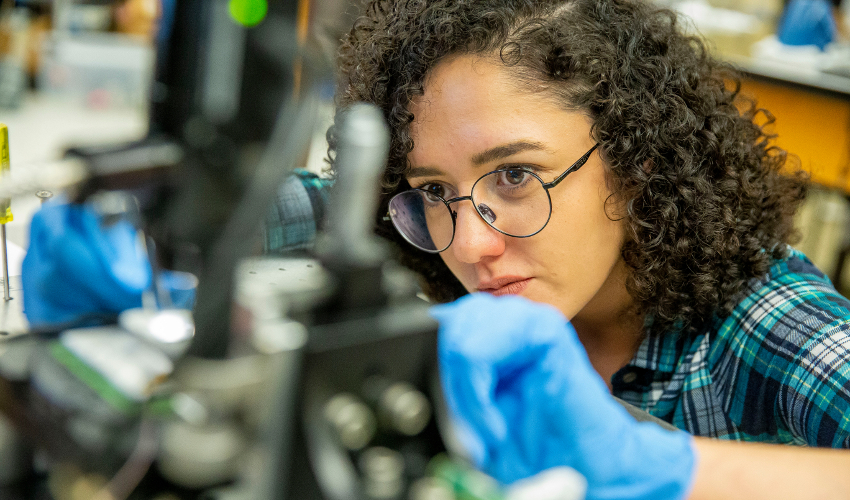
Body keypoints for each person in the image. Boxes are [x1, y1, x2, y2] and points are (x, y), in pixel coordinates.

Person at [326, 0, 850, 498]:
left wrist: (661, 468)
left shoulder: (766, 325)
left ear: (636, 159)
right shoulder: (438, 268)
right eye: (436, 191)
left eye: (515, 176)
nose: (470, 244)